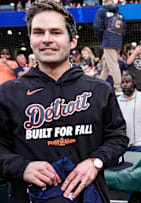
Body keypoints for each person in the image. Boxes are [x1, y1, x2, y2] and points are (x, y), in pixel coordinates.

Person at [0, 1, 129, 202]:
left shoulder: (100, 90)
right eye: (38, 32)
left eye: (56, 32)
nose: (46, 39)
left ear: (73, 41)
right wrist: (22, 167)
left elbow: (118, 138)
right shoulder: (8, 93)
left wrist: (95, 162)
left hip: (88, 196)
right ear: (31, 39)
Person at [117, 74, 141, 156]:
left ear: (134, 83)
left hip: (140, 144)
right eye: (122, 82)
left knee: (140, 168)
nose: (125, 84)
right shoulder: (117, 100)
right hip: (122, 144)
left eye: (127, 82)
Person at [93, 0, 126, 92]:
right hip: (118, 42)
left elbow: (97, 27)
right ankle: (99, 85)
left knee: (113, 65)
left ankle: (118, 87)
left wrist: (101, 40)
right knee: (106, 66)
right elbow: (124, 30)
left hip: (108, 41)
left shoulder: (101, 11)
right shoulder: (120, 14)